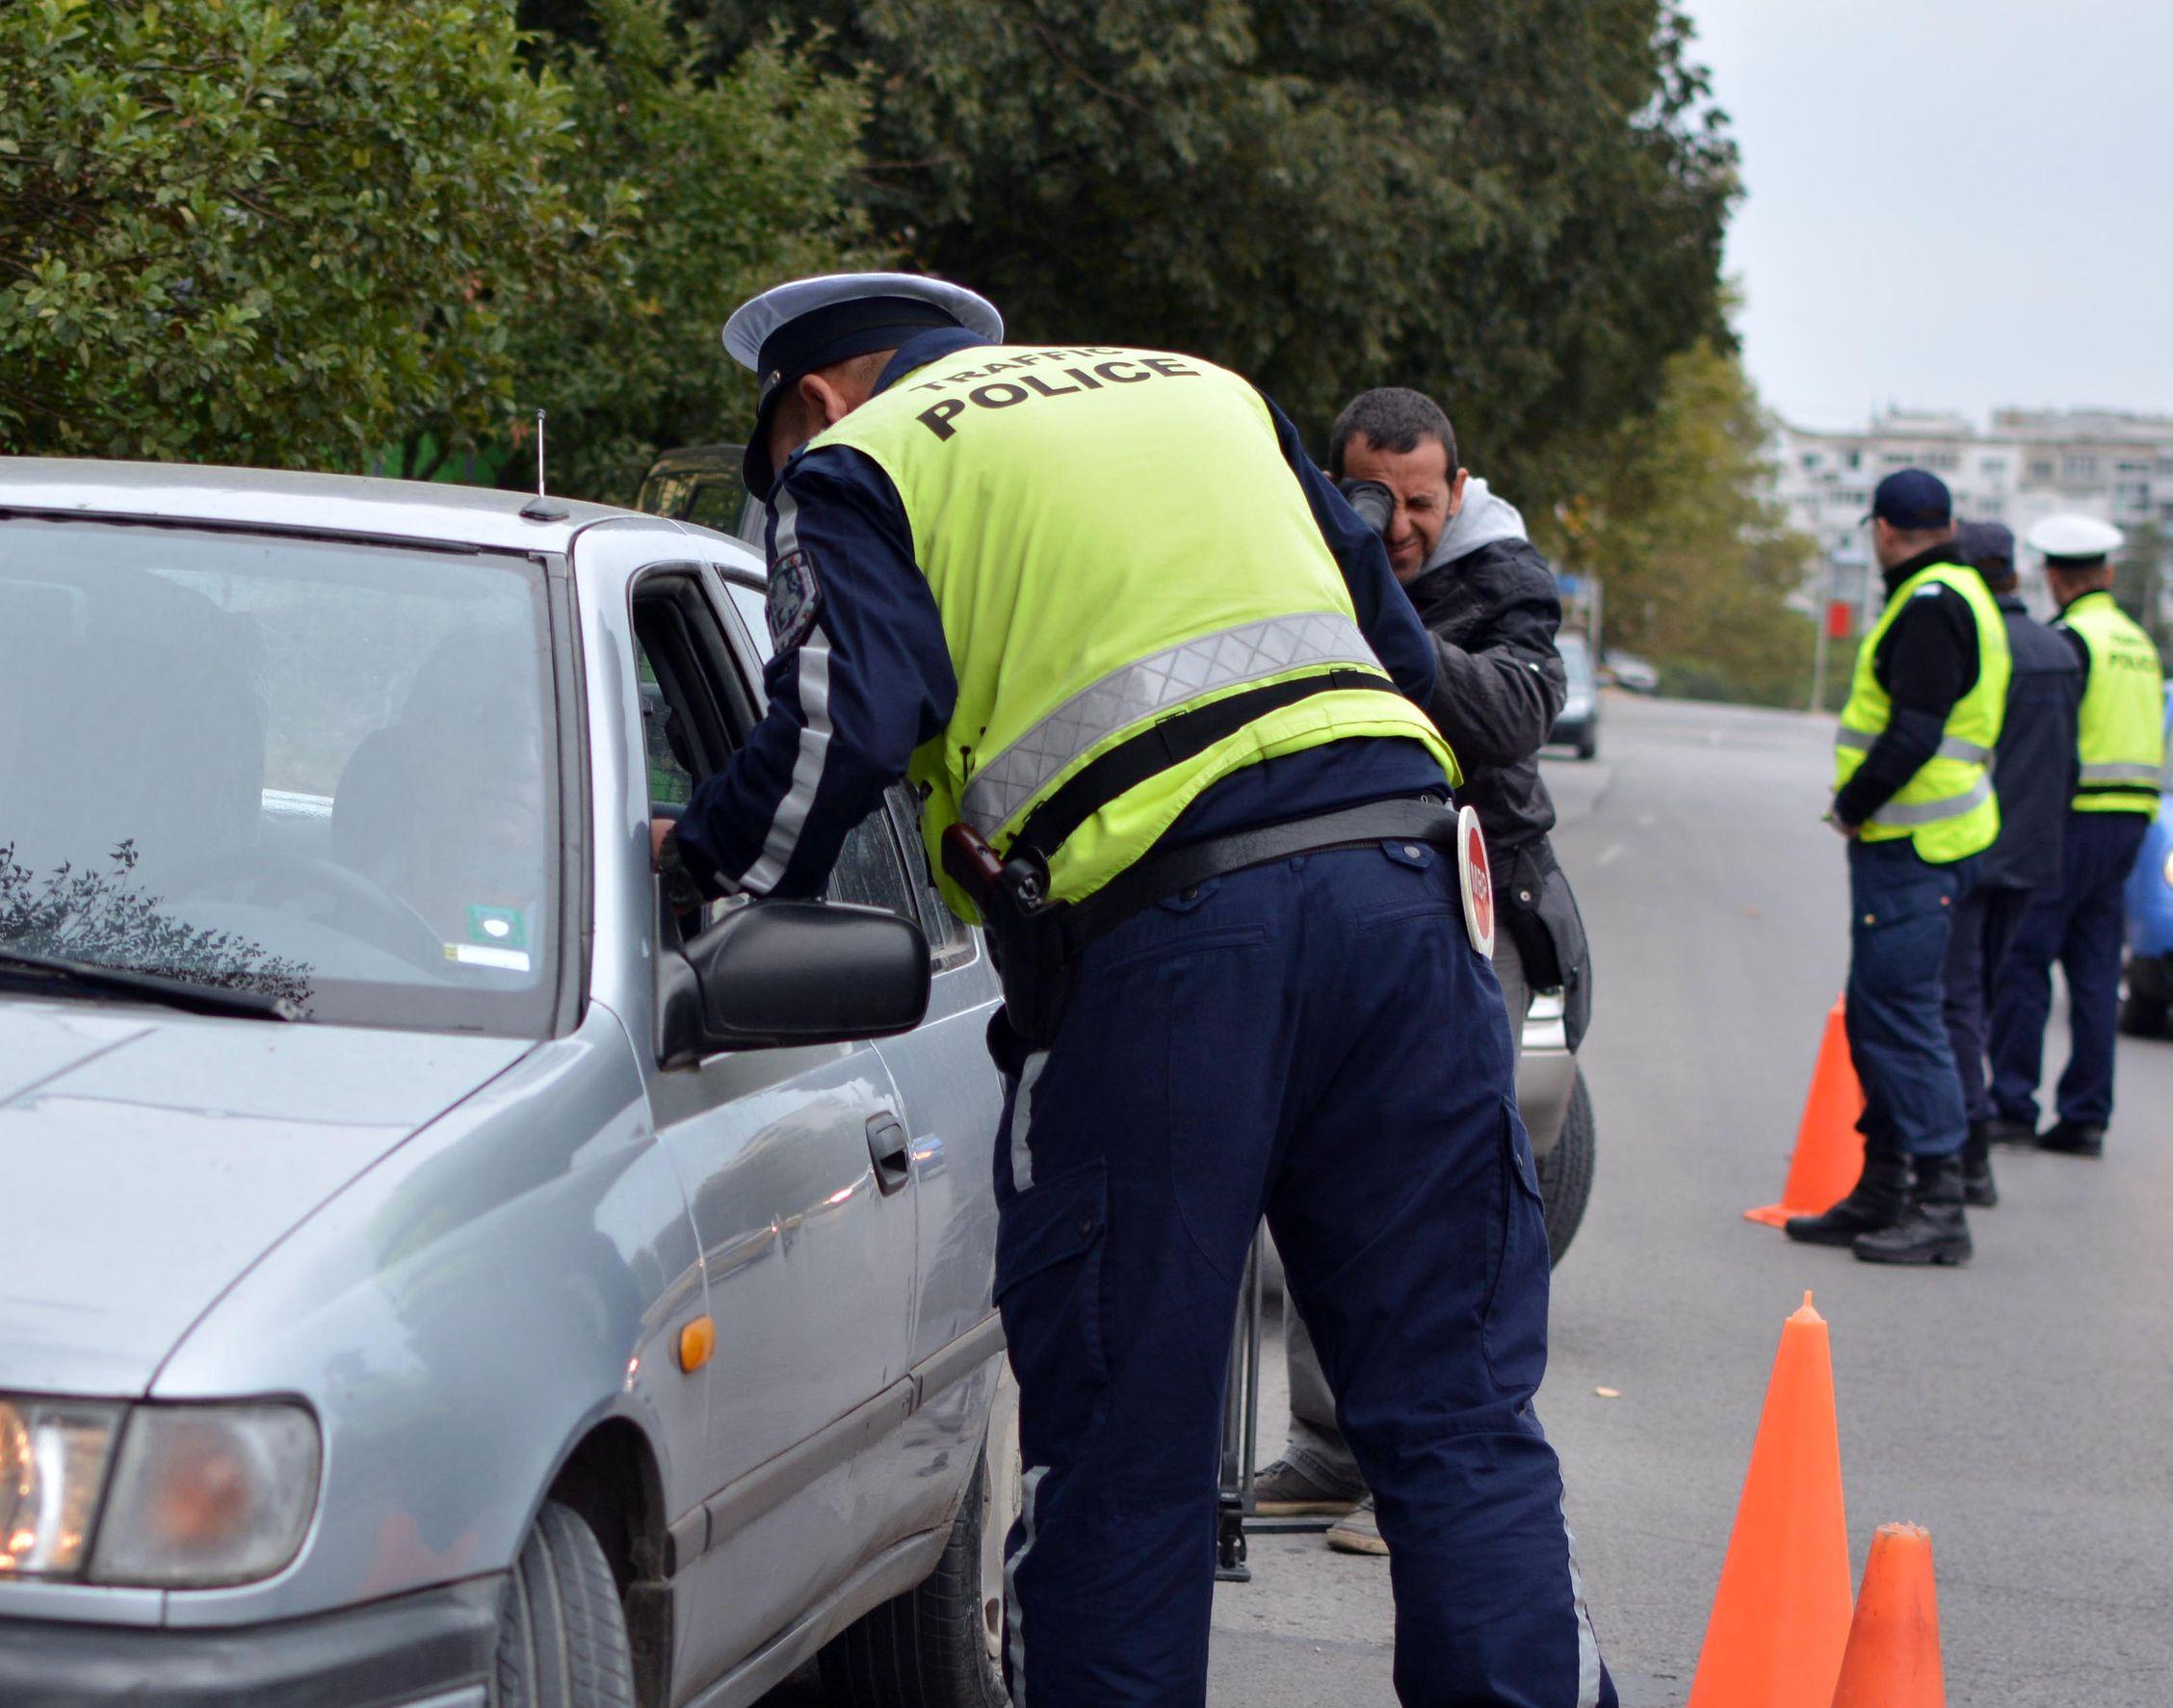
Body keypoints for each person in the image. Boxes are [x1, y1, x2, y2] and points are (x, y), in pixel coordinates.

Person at [657, 273, 1613, 1708]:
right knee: (1459, 1423)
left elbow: (843, 724)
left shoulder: (861, 465)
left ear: (809, 400)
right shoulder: (1208, 392)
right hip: (1404, 916)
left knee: (1124, 1449)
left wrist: (704, 864)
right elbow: (1403, 657)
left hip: (1168, 956)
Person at [1256, 387, 1590, 1558]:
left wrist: (1382, 627)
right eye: (1371, 498)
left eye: (1418, 501)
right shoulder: (1293, 549)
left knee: (1441, 1197)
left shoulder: (1503, 577)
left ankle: (1426, 1480)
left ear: (1457, 489)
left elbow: (1515, 709)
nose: (1396, 524)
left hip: (1481, 904)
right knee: (1320, 1171)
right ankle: (1331, 1451)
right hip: (1350, 900)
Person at [1786, 470, 2007, 1266]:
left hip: (1917, 846)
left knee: (1906, 1017)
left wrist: (1854, 801)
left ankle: (1940, 1201)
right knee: (1881, 1013)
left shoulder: (1930, 603)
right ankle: (1883, 1186)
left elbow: (1915, 731)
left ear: (1883, 530)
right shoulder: (1963, 591)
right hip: (1921, 844)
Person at [1985, 514, 2166, 1155]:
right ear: (2108, 574)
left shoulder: (2071, 642)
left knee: (2025, 958)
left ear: (2054, 577)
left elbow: (2054, 743)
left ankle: (2010, 1101)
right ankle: (2086, 1116)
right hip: (2130, 825)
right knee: (2093, 970)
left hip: (2075, 819)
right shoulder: (2137, 642)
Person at [1934, 520, 2081, 1206]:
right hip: (2034, 857)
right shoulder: (2058, 650)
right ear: (2015, 573)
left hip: (1972, 846)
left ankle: (1969, 1153)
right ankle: (1970, 1134)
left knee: (1957, 1002)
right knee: (1986, 996)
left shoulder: (1976, 643)